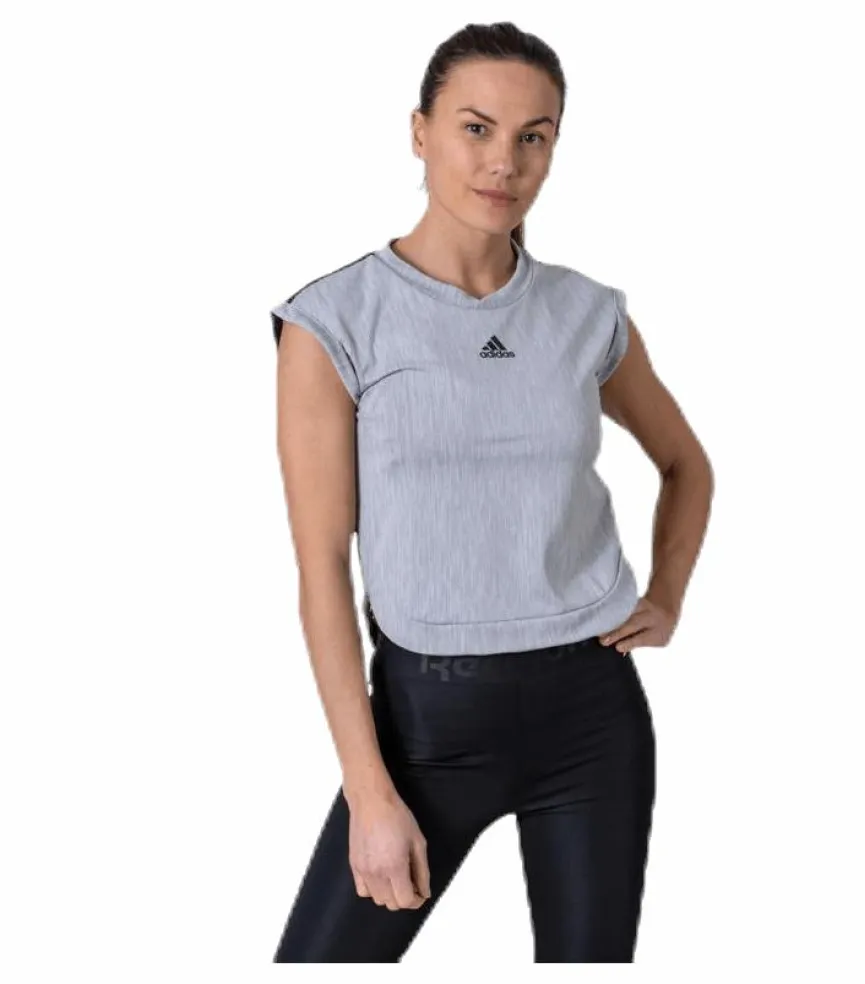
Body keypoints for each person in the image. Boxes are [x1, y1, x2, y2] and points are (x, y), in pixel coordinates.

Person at [268, 21, 714, 963]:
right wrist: (369, 792)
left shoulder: (586, 313)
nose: (503, 162)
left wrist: (668, 594)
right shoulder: (334, 322)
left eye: (532, 136)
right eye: (475, 128)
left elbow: (686, 463)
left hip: (593, 718)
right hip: (425, 731)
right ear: (419, 132)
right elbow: (321, 570)